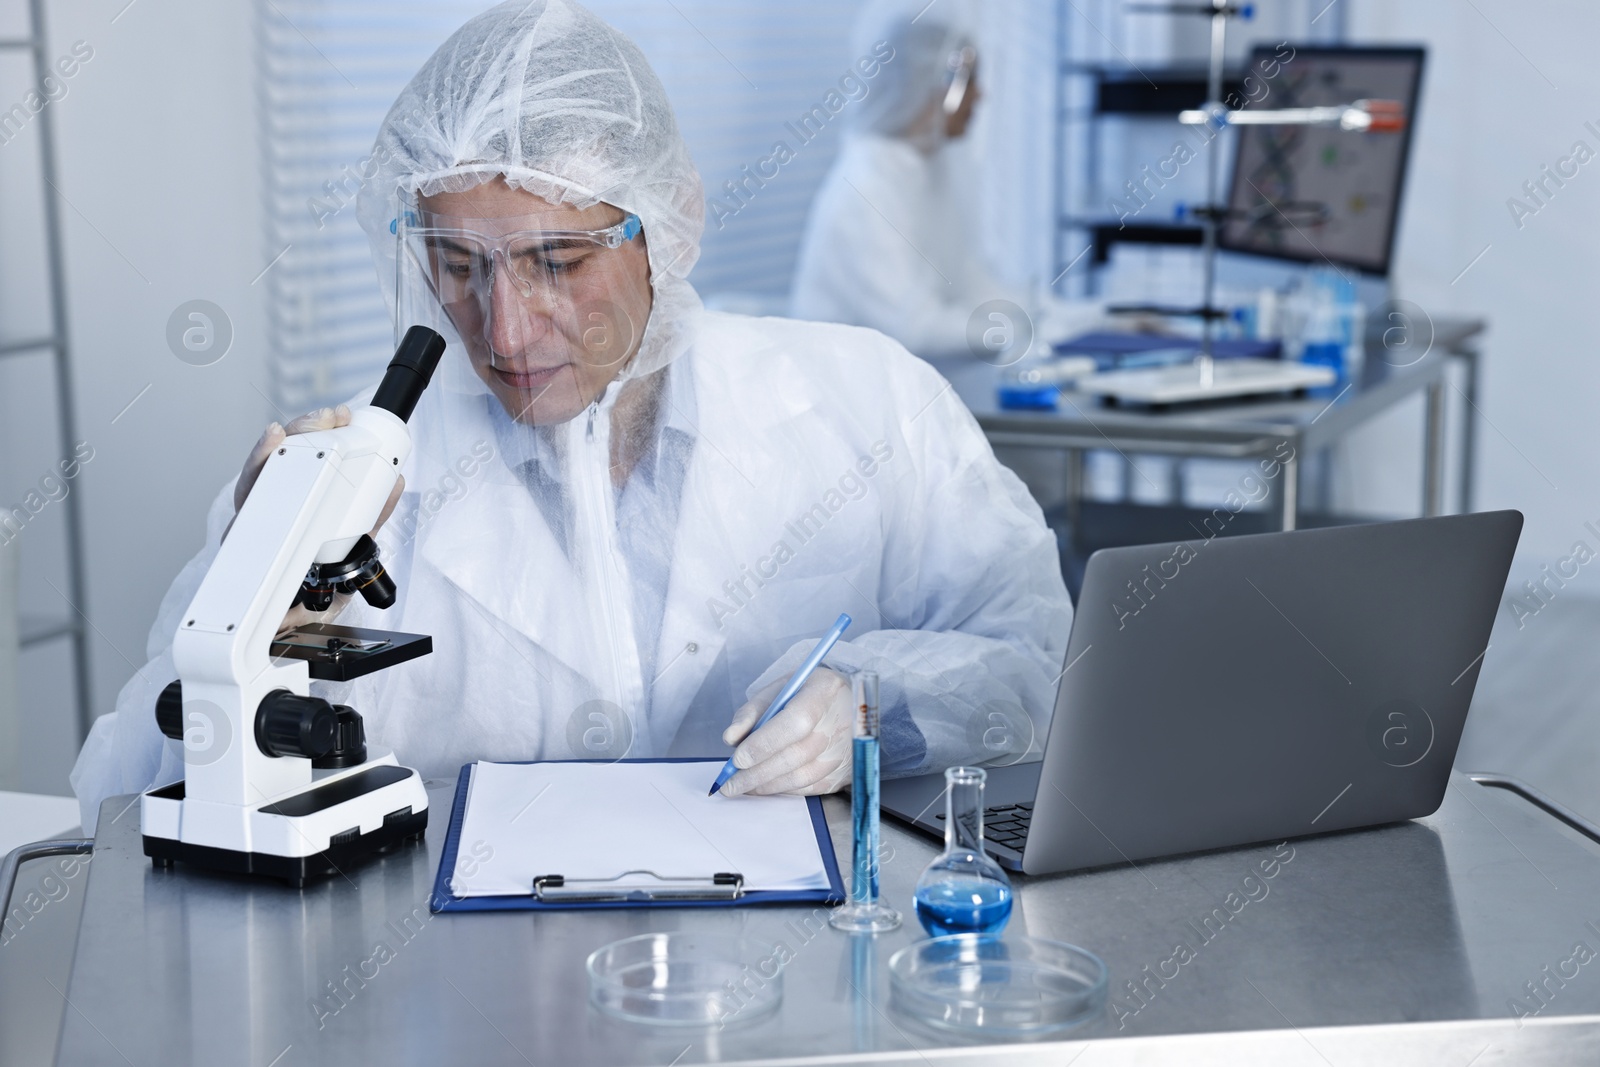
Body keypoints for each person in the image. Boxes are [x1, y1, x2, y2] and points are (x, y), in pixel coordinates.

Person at [71, 0, 1072, 833]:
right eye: (457, 266)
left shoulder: (867, 400)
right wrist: (254, 622)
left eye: (557, 262)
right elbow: (113, 799)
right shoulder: (340, 484)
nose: (504, 326)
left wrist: (872, 702)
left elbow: (1032, 652)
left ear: (666, 221)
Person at [791, 1, 1103, 361]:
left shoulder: (924, 170)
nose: (981, 95)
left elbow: (974, 288)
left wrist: (1092, 319)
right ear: (925, 85)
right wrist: (1035, 333)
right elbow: (916, 329)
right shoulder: (866, 188)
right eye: (969, 81)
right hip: (848, 400)